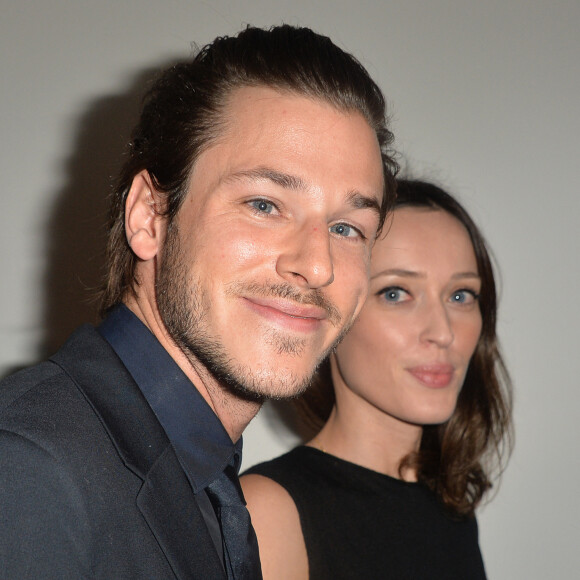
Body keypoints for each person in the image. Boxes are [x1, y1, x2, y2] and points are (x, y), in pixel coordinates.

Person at [0, 25, 398, 579]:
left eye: (348, 227)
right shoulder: (29, 467)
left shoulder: (206, 481)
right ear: (149, 217)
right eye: (264, 204)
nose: (318, 265)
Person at [242, 179, 513, 579]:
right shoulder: (270, 511)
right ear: (332, 313)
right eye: (396, 293)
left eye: (461, 296)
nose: (443, 332)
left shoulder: (450, 510)